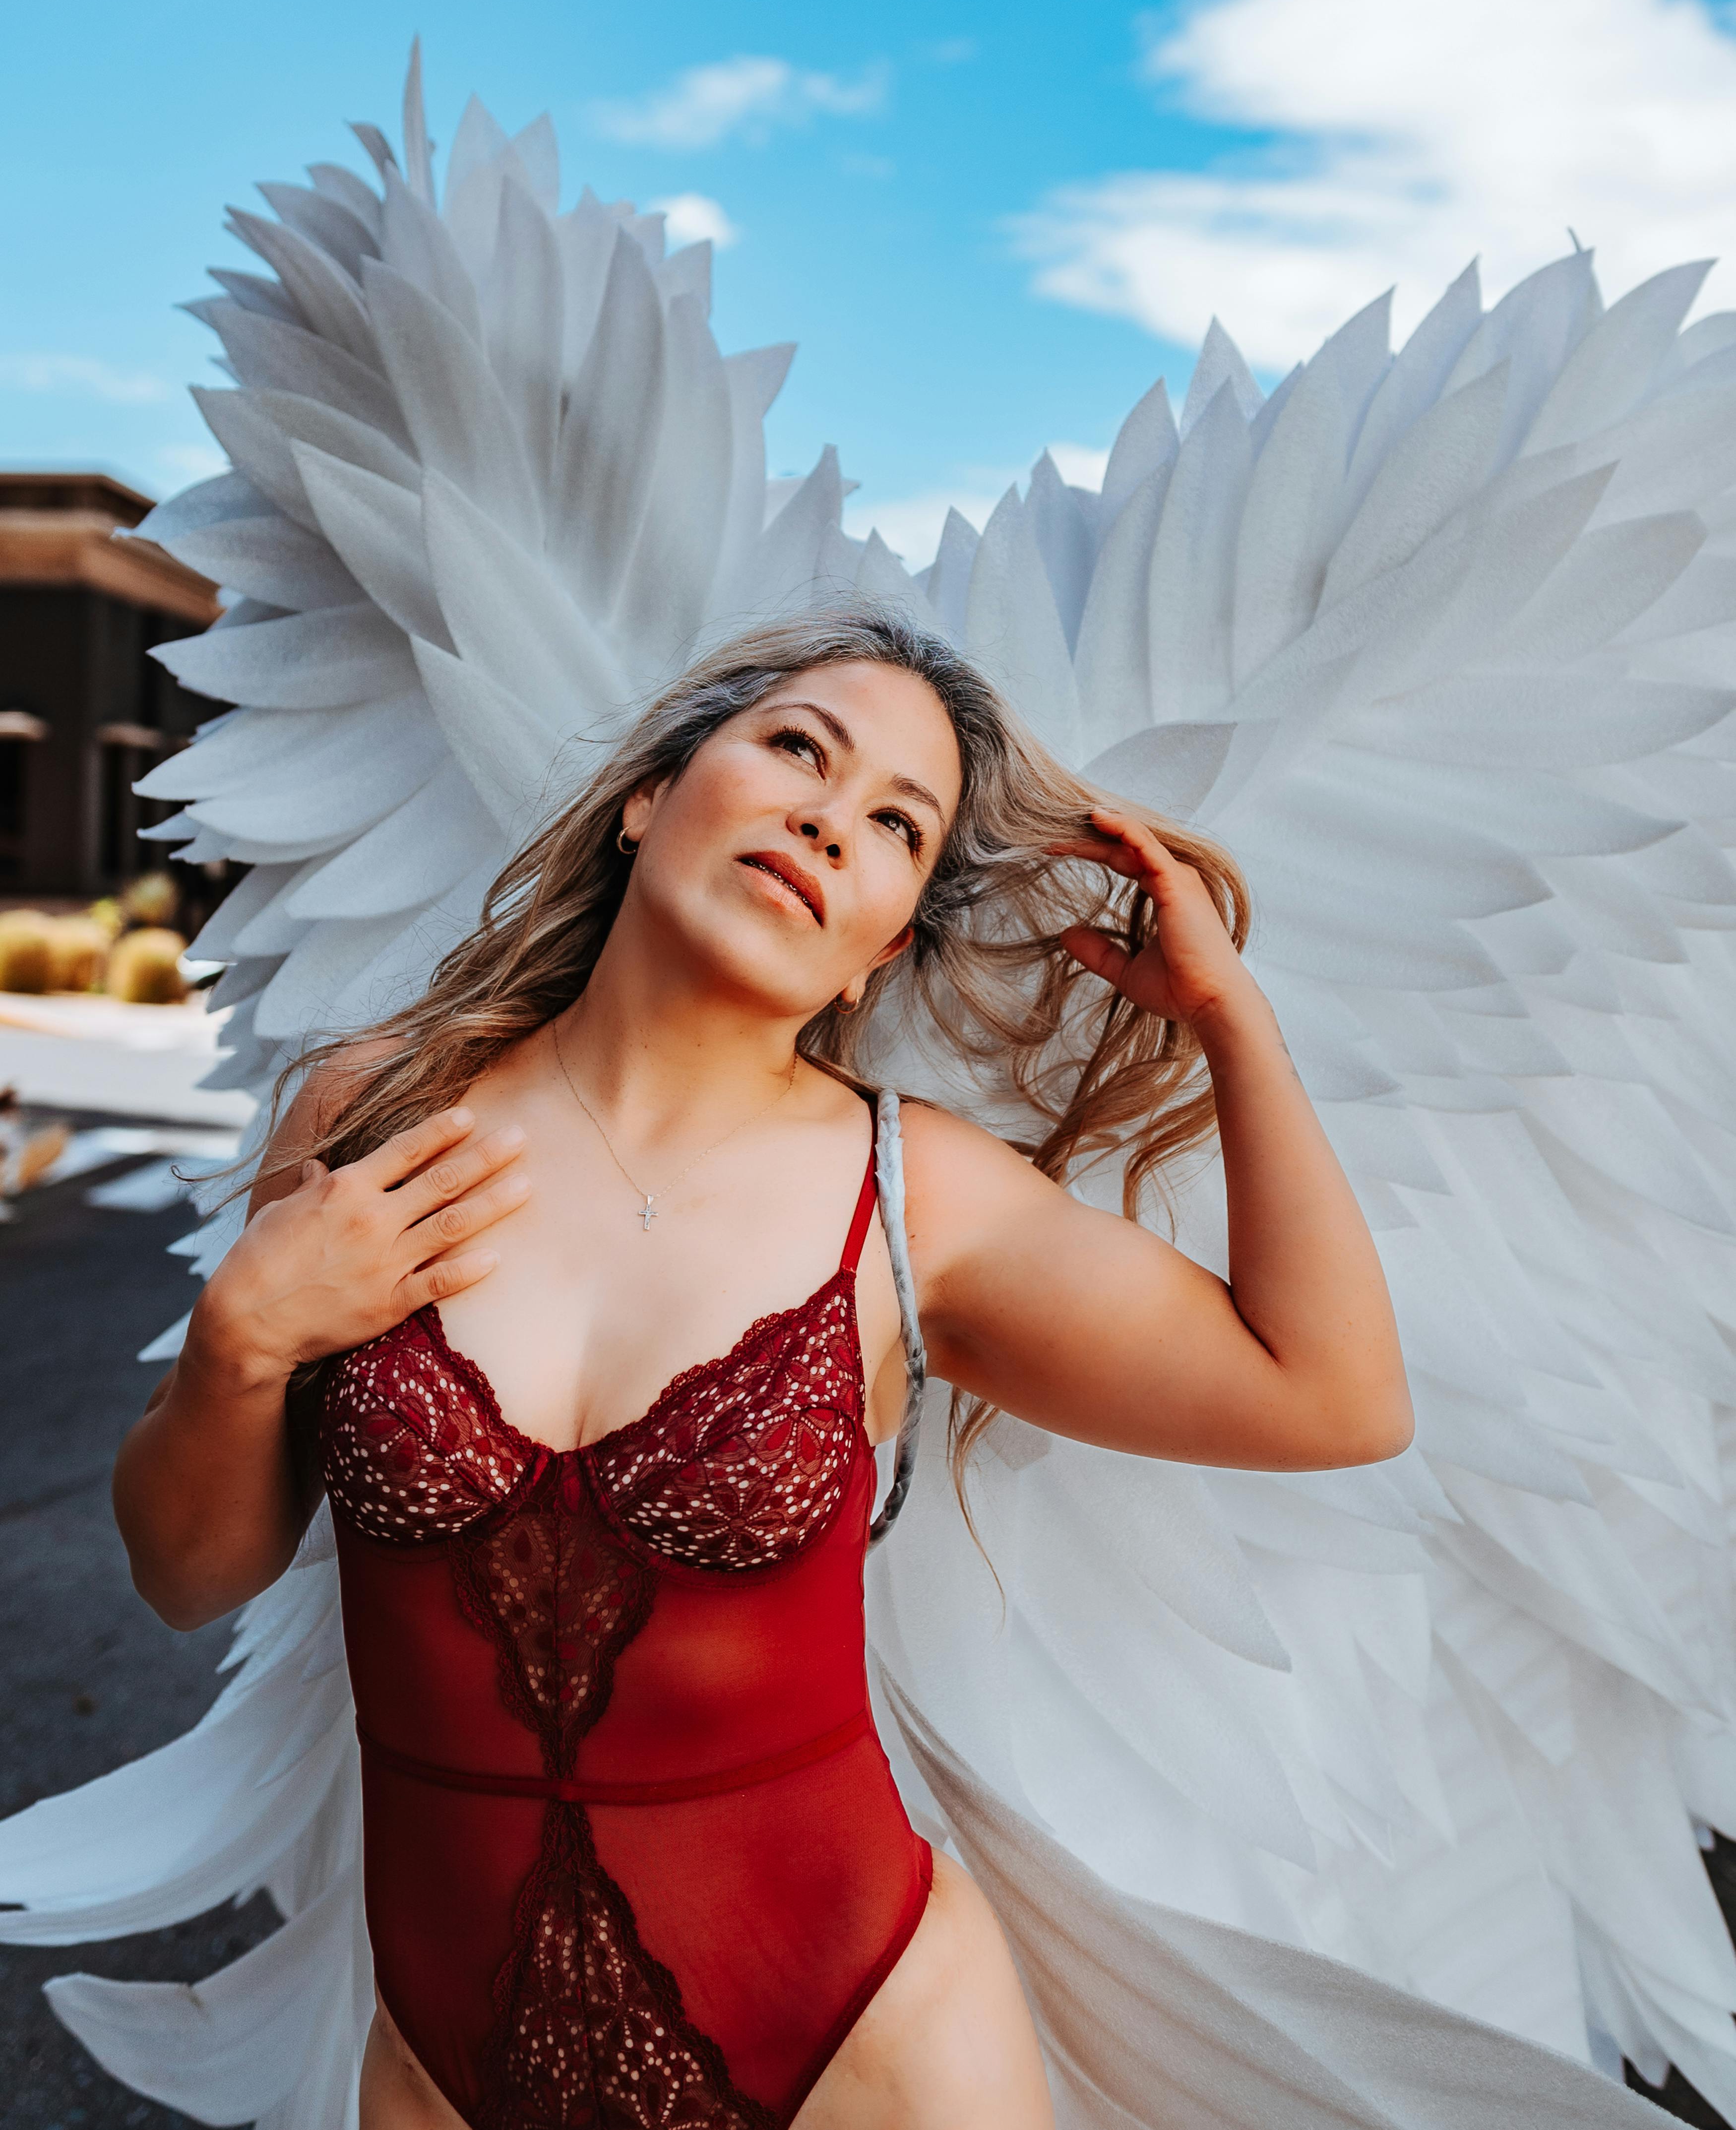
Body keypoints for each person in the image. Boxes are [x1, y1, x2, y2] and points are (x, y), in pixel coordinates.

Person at [110, 604, 1412, 2130]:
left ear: (884, 945)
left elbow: (1332, 1395)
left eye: (892, 826)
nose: (823, 816)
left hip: (868, 2050)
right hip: (447, 2064)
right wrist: (244, 1335)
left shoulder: (917, 1198)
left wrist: (1227, 1021)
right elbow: (186, 1571)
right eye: (797, 746)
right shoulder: (374, 1113)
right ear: (650, 794)